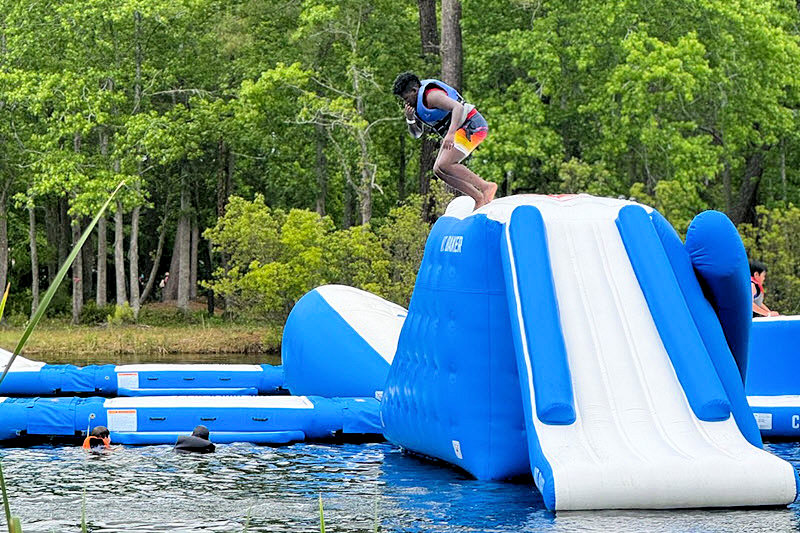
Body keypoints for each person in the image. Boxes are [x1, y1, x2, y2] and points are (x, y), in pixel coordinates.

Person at [393, 72, 497, 209]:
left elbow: (458, 107)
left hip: (472, 125)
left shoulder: (431, 96)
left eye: (406, 98)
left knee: (445, 164)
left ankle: (486, 187)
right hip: (458, 130)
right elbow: (416, 134)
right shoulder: (416, 105)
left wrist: (450, 133)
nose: (405, 102)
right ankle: (478, 197)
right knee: (438, 169)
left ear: (414, 91)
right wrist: (410, 119)